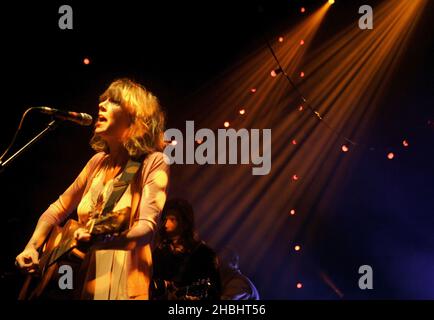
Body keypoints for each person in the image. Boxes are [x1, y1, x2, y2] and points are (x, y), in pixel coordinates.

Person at [15, 78, 170, 300]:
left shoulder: (152, 162)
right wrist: (32, 247)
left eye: (113, 101)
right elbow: (57, 208)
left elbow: (147, 227)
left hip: (116, 273)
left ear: (136, 116)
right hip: (73, 274)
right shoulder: (97, 162)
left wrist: (108, 241)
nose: (102, 105)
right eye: (102, 100)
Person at [151, 198, 220, 300]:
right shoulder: (160, 251)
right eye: (165, 219)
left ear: (185, 223)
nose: (166, 225)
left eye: (172, 219)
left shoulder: (205, 254)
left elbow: (214, 292)